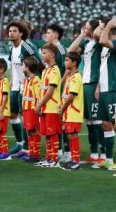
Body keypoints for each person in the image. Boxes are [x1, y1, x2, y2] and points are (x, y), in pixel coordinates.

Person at [68, 19, 103, 165]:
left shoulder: (100, 43)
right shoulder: (86, 43)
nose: (85, 29)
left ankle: (103, 155)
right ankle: (94, 154)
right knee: (89, 121)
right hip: (85, 83)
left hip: (95, 82)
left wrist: (100, 27)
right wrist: (82, 35)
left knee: (97, 121)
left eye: (87, 28)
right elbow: (71, 51)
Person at [96, 17, 116, 170]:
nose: (100, 30)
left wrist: (107, 25)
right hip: (103, 89)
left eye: (102, 28)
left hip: (113, 89)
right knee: (105, 124)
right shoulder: (105, 45)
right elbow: (97, 35)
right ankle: (108, 159)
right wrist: (98, 86)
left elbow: (102, 39)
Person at [7, 21, 41, 156]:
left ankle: (27, 148)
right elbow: (13, 65)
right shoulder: (12, 48)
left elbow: (39, 62)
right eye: (10, 31)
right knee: (12, 114)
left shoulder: (27, 46)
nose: (11, 33)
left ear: (21, 33)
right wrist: (11, 79)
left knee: (25, 118)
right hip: (15, 85)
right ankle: (20, 143)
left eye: (14, 31)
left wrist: (35, 81)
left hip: (26, 87)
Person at [44, 23, 69, 162]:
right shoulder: (51, 50)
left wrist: (59, 83)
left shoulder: (60, 49)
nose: (46, 35)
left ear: (56, 35)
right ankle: (58, 151)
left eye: (48, 32)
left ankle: (66, 152)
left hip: (60, 90)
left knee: (61, 121)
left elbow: (67, 69)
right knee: (56, 121)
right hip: (54, 89)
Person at [35, 43, 62, 168]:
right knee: (46, 134)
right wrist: (40, 105)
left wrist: (39, 105)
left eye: (44, 53)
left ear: (52, 55)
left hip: (52, 107)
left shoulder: (55, 70)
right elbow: (42, 90)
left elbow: (50, 92)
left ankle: (55, 159)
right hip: (44, 108)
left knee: (52, 133)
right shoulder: (45, 70)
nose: (42, 55)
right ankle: (49, 157)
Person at [59, 51, 84, 171]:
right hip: (68, 112)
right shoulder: (70, 77)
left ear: (74, 63)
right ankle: (73, 159)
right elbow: (65, 95)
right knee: (70, 135)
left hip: (73, 112)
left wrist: (62, 108)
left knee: (73, 135)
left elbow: (71, 96)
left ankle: (76, 161)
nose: (65, 62)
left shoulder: (76, 77)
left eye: (67, 60)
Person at [20, 56, 42, 163]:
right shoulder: (26, 80)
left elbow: (39, 96)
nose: (21, 66)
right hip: (26, 109)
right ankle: (31, 152)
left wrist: (38, 108)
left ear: (27, 67)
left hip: (33, 110)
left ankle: (36, 154)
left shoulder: (36, 80)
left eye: (23, 65)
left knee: (34, 130)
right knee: (28, 130)